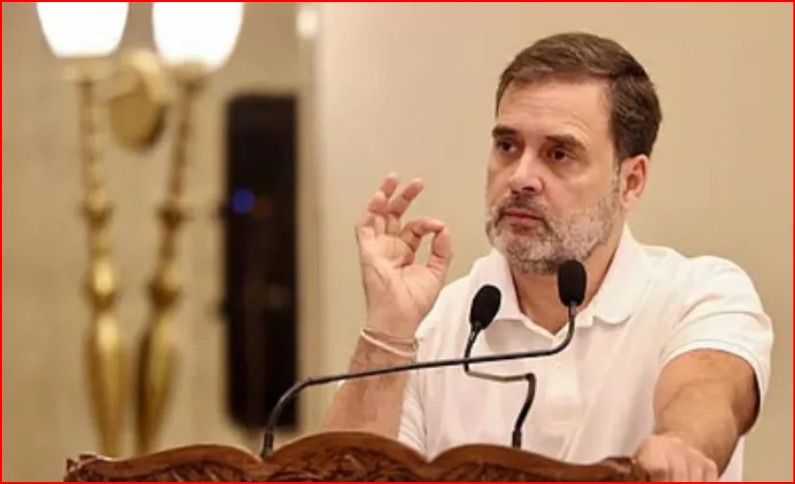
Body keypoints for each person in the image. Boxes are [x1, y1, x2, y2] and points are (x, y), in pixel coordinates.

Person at [322, 32, 773, 482]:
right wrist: (389, 327)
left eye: (559, 154)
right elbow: (342, 475)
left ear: (631, 182)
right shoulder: (432, 329)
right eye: (507, 146)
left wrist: (681, 444)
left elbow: (709, 390)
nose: (520, 178)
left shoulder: (699, 295)